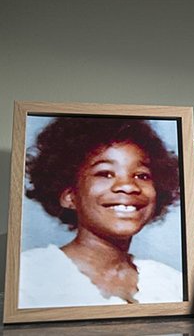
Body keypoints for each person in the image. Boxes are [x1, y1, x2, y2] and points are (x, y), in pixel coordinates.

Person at [20, 117, 183, 308]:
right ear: (70, 195)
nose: (128, 186)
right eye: (105, 173)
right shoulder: (30, 275)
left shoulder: (171, 283)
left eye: (142, 175)